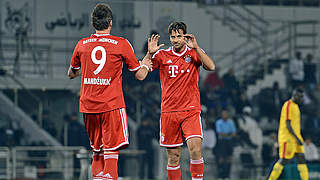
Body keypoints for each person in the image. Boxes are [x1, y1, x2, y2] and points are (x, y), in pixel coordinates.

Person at [67, 3, 152, 180]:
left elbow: (71, 73)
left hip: (88, 106)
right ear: (110, 23)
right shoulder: (121, 44)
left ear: (93, 23)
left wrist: (85, 68)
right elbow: (140, 75)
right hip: (111, 105)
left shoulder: (82, 45)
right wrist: (148, 57)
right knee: (111, 150)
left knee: (96, 150)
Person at [146, 21, 215, 180]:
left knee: (196, 149)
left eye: (179, 36)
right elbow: (142, 72)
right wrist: (150, 53)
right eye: (173, 36)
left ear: (185, 36)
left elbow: (211, 66)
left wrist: (196, 47)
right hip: (169, 112)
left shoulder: (194, 52)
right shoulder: (162, 55)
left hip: (191, 110)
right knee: (173, 156)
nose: (176, 39)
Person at [268, 88, 308, 180]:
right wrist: (296, 138)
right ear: (295, 95)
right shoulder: (288, 105)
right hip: (288, 138)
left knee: (302, 159)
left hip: (296, 137)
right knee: (284, 160)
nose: (302, 99)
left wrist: (298, 137)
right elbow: (288, 124)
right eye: (301, 97)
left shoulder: (296, 107)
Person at [215, 110, 236, 179]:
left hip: (229, 142)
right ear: (221, 115)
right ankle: (221, 176)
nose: (225, 115)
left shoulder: (231, 122)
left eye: (226, 114)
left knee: (229, 158)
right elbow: (220, 133)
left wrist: (226, 134)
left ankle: (227, 175)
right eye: (223, 114)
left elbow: (234, 134)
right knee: (221, 159)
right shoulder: (218, 122)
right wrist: (228, 134)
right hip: (222, 142)